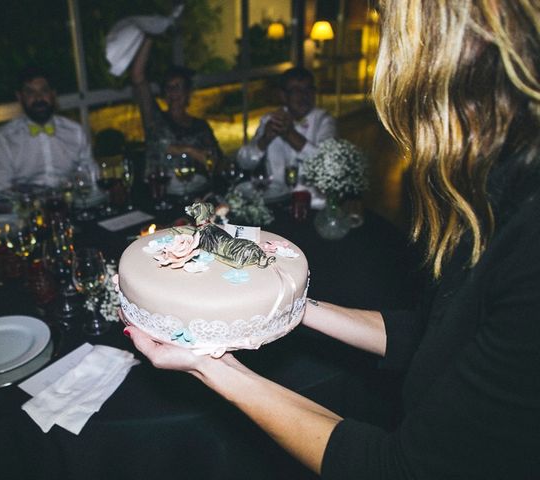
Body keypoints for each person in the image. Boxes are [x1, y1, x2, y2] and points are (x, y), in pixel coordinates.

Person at [125, 1, 540, 478]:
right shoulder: (499, 184)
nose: (388, 57)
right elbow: (432, 335)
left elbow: (399, 468)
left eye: (391, 21)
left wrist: (211, 367)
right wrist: (287, 305)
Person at [0, 65, 96, 209]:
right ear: (20, 97)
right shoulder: (3, 139)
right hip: (27, 214)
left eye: (44, 91)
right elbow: (0, 195)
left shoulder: (75, 131)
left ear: (53, 94)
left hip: (72, 208)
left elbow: (92, 178)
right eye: (30, 92)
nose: (38, 98)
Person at [130, 37, 222, 196]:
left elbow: (217, 164)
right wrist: (151, 35)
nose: (173, 92)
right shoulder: (155, 119)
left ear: (187, 94)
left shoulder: (200, 126)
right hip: (158, 193)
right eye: (168, 88)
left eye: (178, 87)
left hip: (194, 195)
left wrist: (200, 159)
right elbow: (138, 76)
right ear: (164, 94)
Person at [236, 67, 336, 207]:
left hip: (313, 204)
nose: (304, 96)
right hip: (274, 203)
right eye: (296, 91)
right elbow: (244, 163)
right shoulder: (270, 120)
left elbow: (327, 164)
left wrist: (289, 134)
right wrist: (264, 141)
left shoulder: (324, 120)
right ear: (283, 95)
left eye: (308, 90)